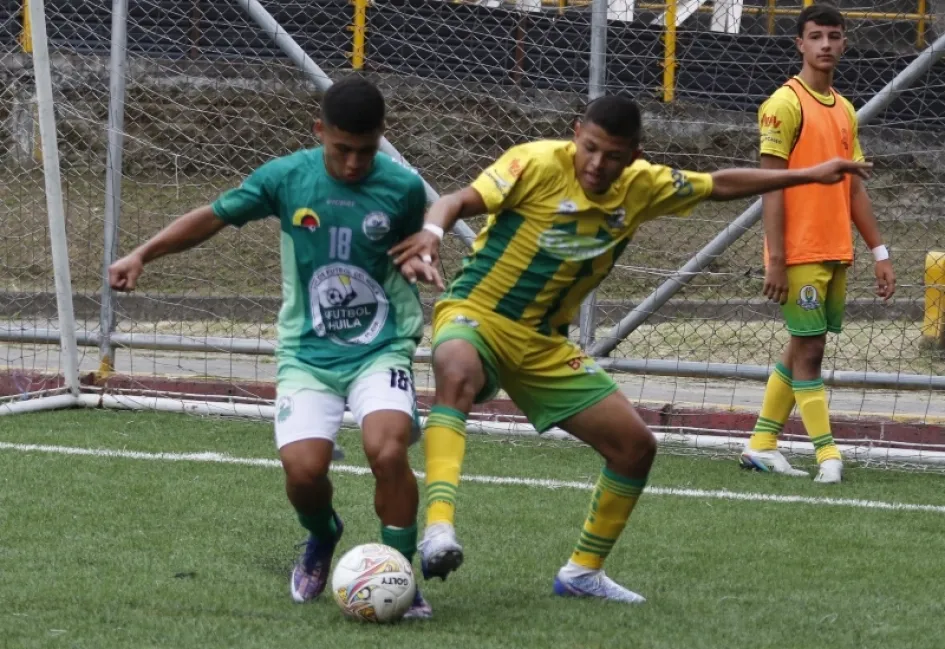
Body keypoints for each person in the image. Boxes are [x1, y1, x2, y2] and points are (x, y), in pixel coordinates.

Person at [389, 94, 871, 603]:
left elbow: (721, 184)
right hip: (478, 311)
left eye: (613, 155)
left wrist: (809, 174)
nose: (597, 164)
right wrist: (432, 232)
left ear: (634, 155)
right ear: (577, 133)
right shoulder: (534, 162)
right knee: (456, 368)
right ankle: (438, 529)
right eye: (591, 148)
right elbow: (456, 200)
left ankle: (582, 573)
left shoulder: (644, 186)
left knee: (635, 447)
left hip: (543, 343)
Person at [108, 76, 441, 618]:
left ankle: (400, 576)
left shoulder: (403, 187)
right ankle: (323, 533)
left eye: (365, 150)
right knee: (303, 472)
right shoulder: (287, 178)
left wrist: (418, 261)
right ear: (319, 131)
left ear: (382, 135)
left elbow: (413, 248)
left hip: (380, 346)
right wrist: (142, 254)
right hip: (306, 352)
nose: (354, 163)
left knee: (387, 449)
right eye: (342, 149)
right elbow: (213, 217)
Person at [740, 3, 895, 484]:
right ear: (800, 44)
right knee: (811, 352)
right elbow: (770, 187)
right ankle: (828, 455)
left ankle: (761, 445)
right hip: (799, 253)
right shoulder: (783, 104)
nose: (825, 44)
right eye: (815, 36)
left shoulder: (845, 109)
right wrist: (777, 259)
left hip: (835, 250)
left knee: (800, 347)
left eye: (833, 35)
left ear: (844, 42)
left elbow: (854, 189)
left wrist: (880, 252)